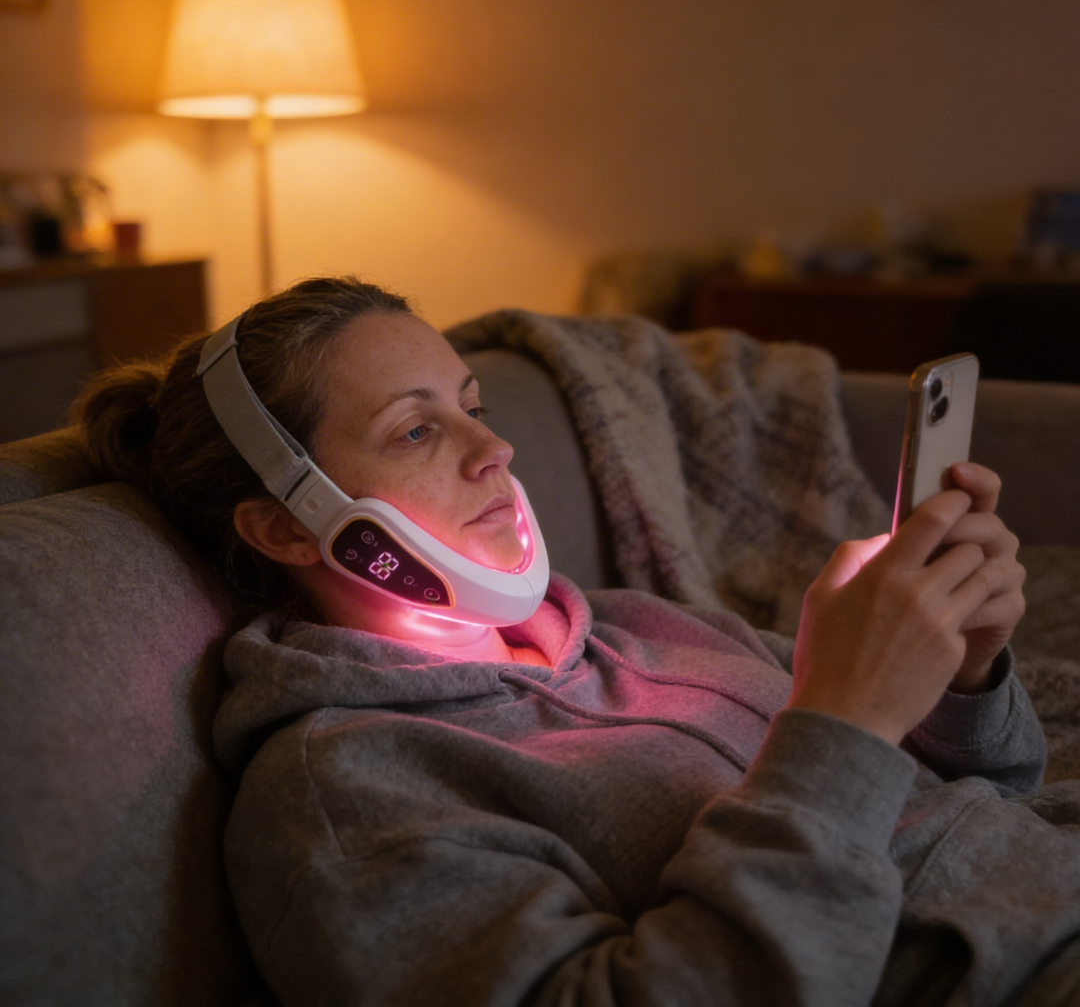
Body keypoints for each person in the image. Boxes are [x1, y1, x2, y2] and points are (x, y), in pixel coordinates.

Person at [77, 275, 1080, 1006]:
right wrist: (844, 722)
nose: (495, 448)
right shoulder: (349, 792)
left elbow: (993, 790)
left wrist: (962, 671)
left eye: (473, 406)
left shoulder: (640, 625)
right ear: (287, 525)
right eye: (416, 430)